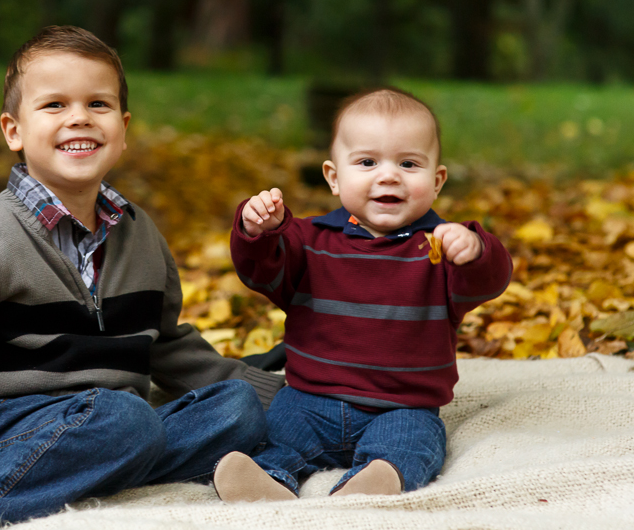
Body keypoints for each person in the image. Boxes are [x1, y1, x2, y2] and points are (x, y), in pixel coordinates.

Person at [0, 26, 284, 530]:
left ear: (124, 127)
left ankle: (78, 474)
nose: (79, 119)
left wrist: (284, 394)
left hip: (114, 425)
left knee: (237, 410)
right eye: (54, 106)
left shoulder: (141, 235)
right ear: (13, 130)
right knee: (125, 421)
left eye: (98, 104)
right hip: (6, 427)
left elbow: (167, 344)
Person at [213, 87, 513, 502]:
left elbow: (489, 280)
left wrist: (476, 251)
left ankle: (376, 480)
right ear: (334, 177)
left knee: (412, 442)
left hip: (402, 406)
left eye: (409, 164)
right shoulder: (307, 238)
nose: (388, 175)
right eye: (367, 162)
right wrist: (258, 231)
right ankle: (267, 478)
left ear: (437, 180)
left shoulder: (441, 246)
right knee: (278, 433)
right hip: (309, 400)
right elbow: (261, 269)